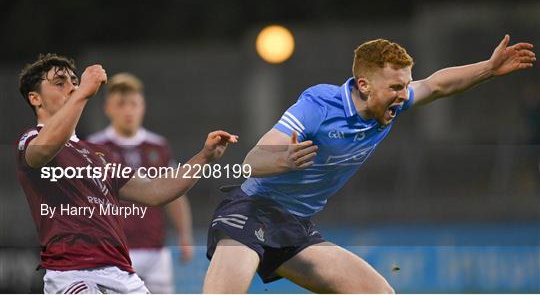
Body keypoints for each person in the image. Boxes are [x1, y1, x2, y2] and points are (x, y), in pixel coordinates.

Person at [204, 35, 535, 293]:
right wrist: (283, 159)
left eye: (406, 85)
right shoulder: (320, 104)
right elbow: (251, 161)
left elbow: (436, 84)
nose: (404, 95)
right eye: (395, 87)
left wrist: (489, 70)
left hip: (294, 227)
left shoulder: (392, 103)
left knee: (377, 291)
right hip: (250, 213)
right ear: (364, 85)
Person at [16, 54, 237, 294]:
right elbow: (46, 148)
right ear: (35, 98)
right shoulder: (31, 140)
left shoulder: (99, 153)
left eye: (74, 81)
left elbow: (155, 192)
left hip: (121, 273)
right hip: (72, 274)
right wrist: (81, 94)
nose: (71, 86)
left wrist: (204, 157)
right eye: (60, 83)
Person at [87, 73, 194, 293]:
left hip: (156, 250)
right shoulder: (94, 147)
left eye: (134, 104)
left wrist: (185, 234)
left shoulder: (158, 147)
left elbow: (174, 194)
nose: (128, 111)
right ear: (108, 108)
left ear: (143, 107)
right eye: (121, 104)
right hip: (113, 251)